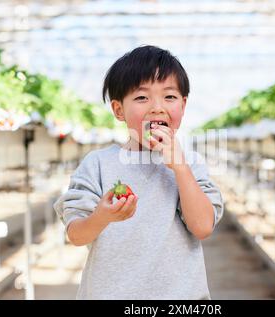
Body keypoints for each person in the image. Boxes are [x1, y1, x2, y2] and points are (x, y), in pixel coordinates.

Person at [53, 45, 224, 300]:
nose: (157, 107)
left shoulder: (191, 165)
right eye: (142, 98)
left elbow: (202, 227)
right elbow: (76, 235)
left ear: (183, 105)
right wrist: (101, 216)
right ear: (119, 110)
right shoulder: (98, 164)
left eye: (169, 97)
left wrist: (179, 167)